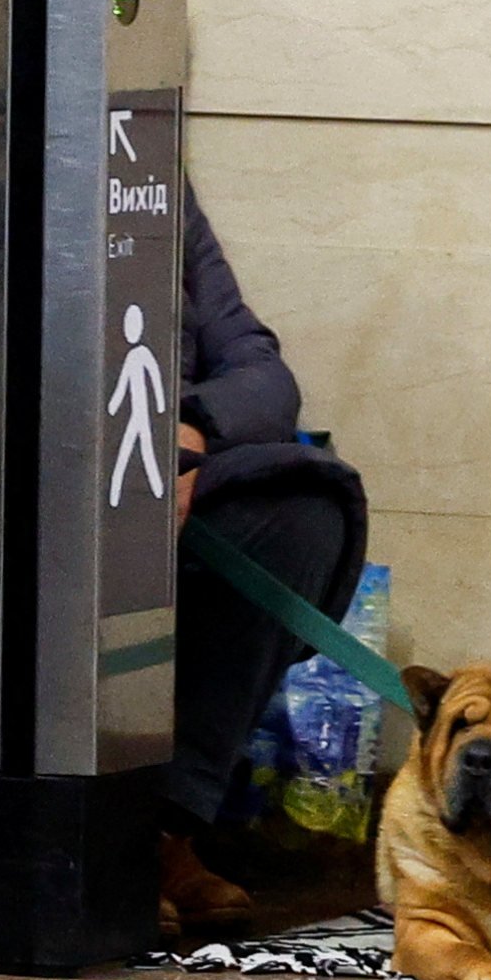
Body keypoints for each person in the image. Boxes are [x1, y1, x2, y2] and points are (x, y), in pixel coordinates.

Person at [155, 182, 372, 930]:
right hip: (57, 467)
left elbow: (261, 370)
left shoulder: (157, 180)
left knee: (303, 515)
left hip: (183, 463)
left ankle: (166, 830)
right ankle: (86, 834)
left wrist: (188, 426)